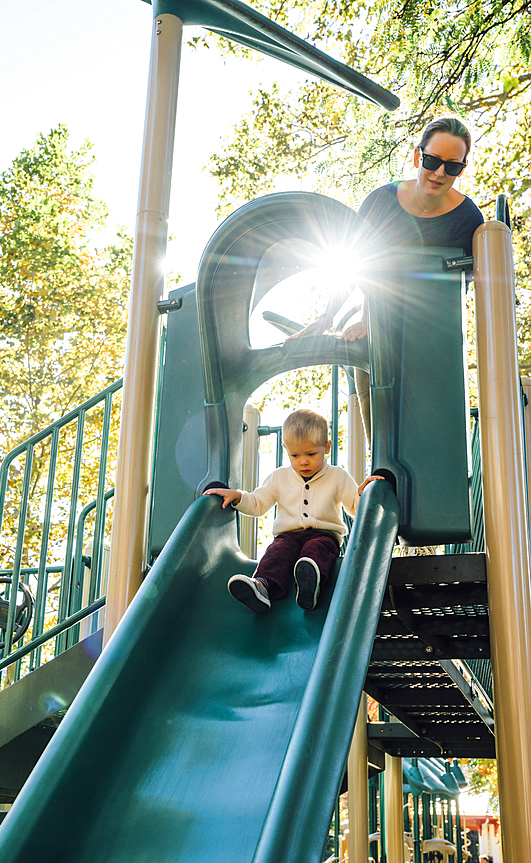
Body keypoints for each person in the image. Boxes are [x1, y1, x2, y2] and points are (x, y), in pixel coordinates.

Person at [292, 117, 484, 443]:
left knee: (427, 429)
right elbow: (353, 262)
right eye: (432, 161)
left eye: (451, 167)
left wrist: (383, 319)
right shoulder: (382, 202)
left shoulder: (467, 220)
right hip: (376, 319)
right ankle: (381, 466)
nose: (438, 173)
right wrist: (329, 316)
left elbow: (452, 292)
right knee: (368, 362)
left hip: (430, 331)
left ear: (462, 169)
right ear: (417, 157)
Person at [204, 408, 383, 613]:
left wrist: (364, 494)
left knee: (315, 551)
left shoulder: (337, 476)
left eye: (311, 454)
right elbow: (257, 503)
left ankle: (309, 586)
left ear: (326, 447)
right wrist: (237, 496)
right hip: (287, 536)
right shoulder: (279, 478)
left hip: (324, 536)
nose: (303, 461)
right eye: (295, 455)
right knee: (275, 552)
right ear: (285, 449)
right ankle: (261, 587)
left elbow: (355, 507)